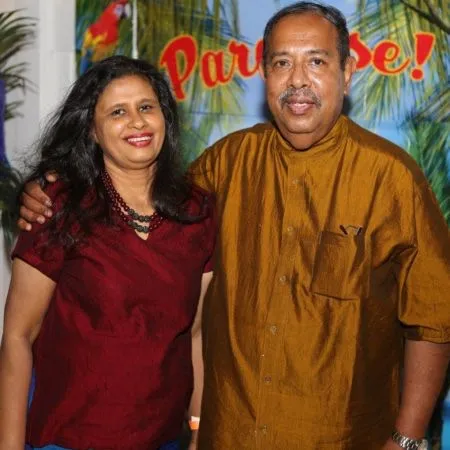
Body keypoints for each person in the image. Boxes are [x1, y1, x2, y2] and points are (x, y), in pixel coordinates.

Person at [16, 2, 450, 449]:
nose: (298, 80)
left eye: (317, 62)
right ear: (264, 75)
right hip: (228, 434)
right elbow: (142, 196)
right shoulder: (226, 163)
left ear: (348, 72)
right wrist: (51, 188)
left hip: (340, 436)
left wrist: (408, 437)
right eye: (282, 63)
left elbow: (433, 320)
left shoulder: (392, 178)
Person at [0, 56, 216, 450]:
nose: (137, 122)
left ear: (165, 117)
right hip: (67, 439)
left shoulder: (196, 211)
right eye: (118, 112)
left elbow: (196, 333)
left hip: (162, 439)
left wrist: (199, 429)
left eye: (146, 107)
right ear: (92, 130)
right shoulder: (58, 205)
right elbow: (18, 335)